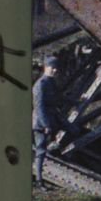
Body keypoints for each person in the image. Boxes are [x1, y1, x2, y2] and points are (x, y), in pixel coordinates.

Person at [32, 52, 66, 182]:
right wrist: (46, 125)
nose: (55, 70)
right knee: (40, 151)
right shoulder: (40, 85)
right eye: (53, 68)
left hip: (52, 118)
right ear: (46, 67)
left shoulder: (50, 82)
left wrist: (75, 101)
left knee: (74, 130)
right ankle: (39, 179)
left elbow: (59, 97)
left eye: (56, 68)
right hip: (41, 122)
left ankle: (54, 148)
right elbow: (39, 107)